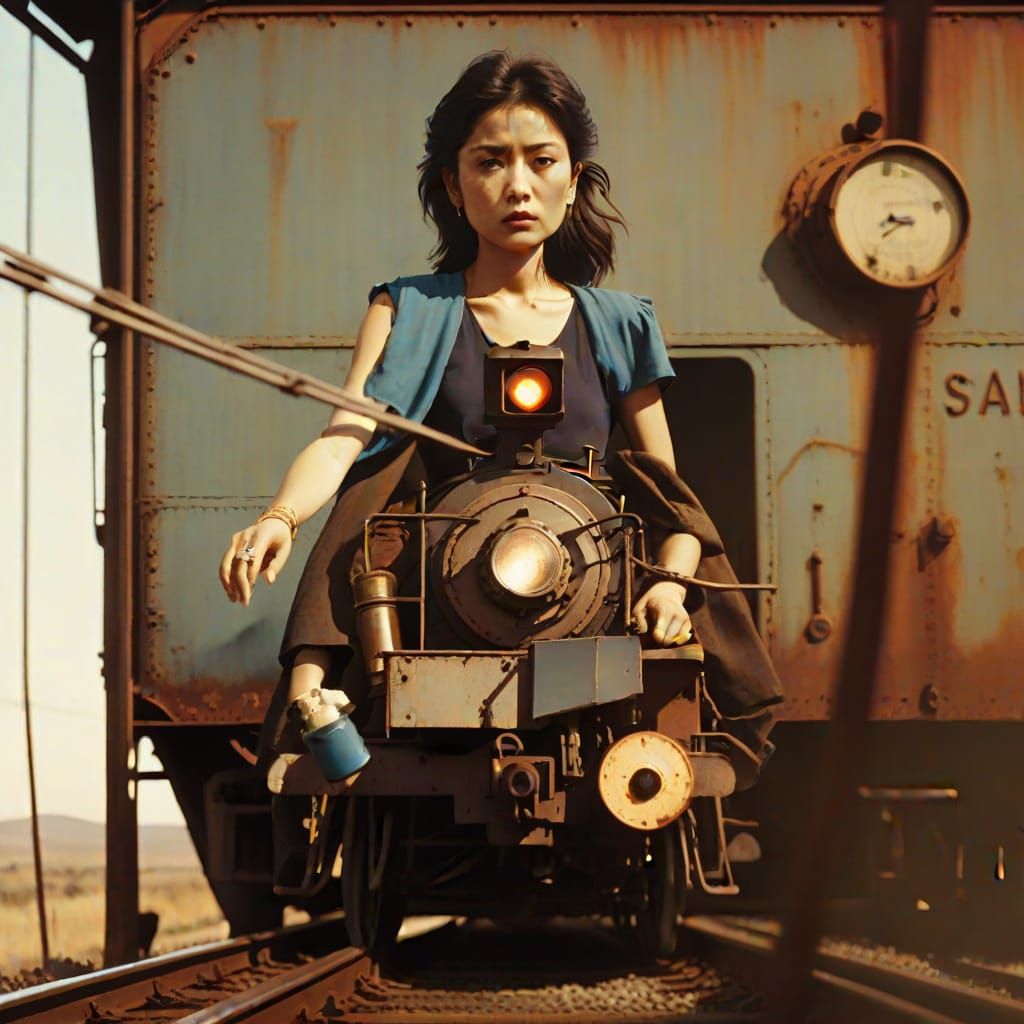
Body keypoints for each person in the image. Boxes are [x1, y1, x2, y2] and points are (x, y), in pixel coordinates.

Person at [218, 50, 781, 786]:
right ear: (453, 184)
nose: (518, 185)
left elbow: (666, 490)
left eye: (541, 161)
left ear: (573, 179)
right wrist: (279, 518)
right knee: (369, 485)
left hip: (593, 582)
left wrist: (671, 583)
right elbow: (344, 434)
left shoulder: (621, 323)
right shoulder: (408, 311)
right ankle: (313, 696)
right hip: (445, 579)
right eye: (491, 163)